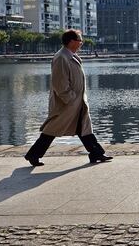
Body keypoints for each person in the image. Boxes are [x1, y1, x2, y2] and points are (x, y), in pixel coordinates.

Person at [24, 29, 113, 166]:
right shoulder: (61, 57)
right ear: (71, 42)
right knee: (52, 129)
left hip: (77, 102)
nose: (81, 43)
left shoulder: (71, 56)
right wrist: (70, 99)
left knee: (84, 128)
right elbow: (60, 83)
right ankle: (33, 154)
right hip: (66, 104)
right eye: (80, 41)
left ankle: (96, 153)